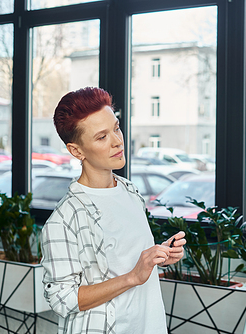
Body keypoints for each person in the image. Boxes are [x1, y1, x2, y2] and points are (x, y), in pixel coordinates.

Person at [41, 87, 186, 334]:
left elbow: (127, 258)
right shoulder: (64, 220)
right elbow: (61, 299)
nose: (118, 141)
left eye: (116, 128)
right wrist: (132, 277)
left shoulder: (129, 191)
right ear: (76, 151)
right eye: (101, 137)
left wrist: (158, 256)